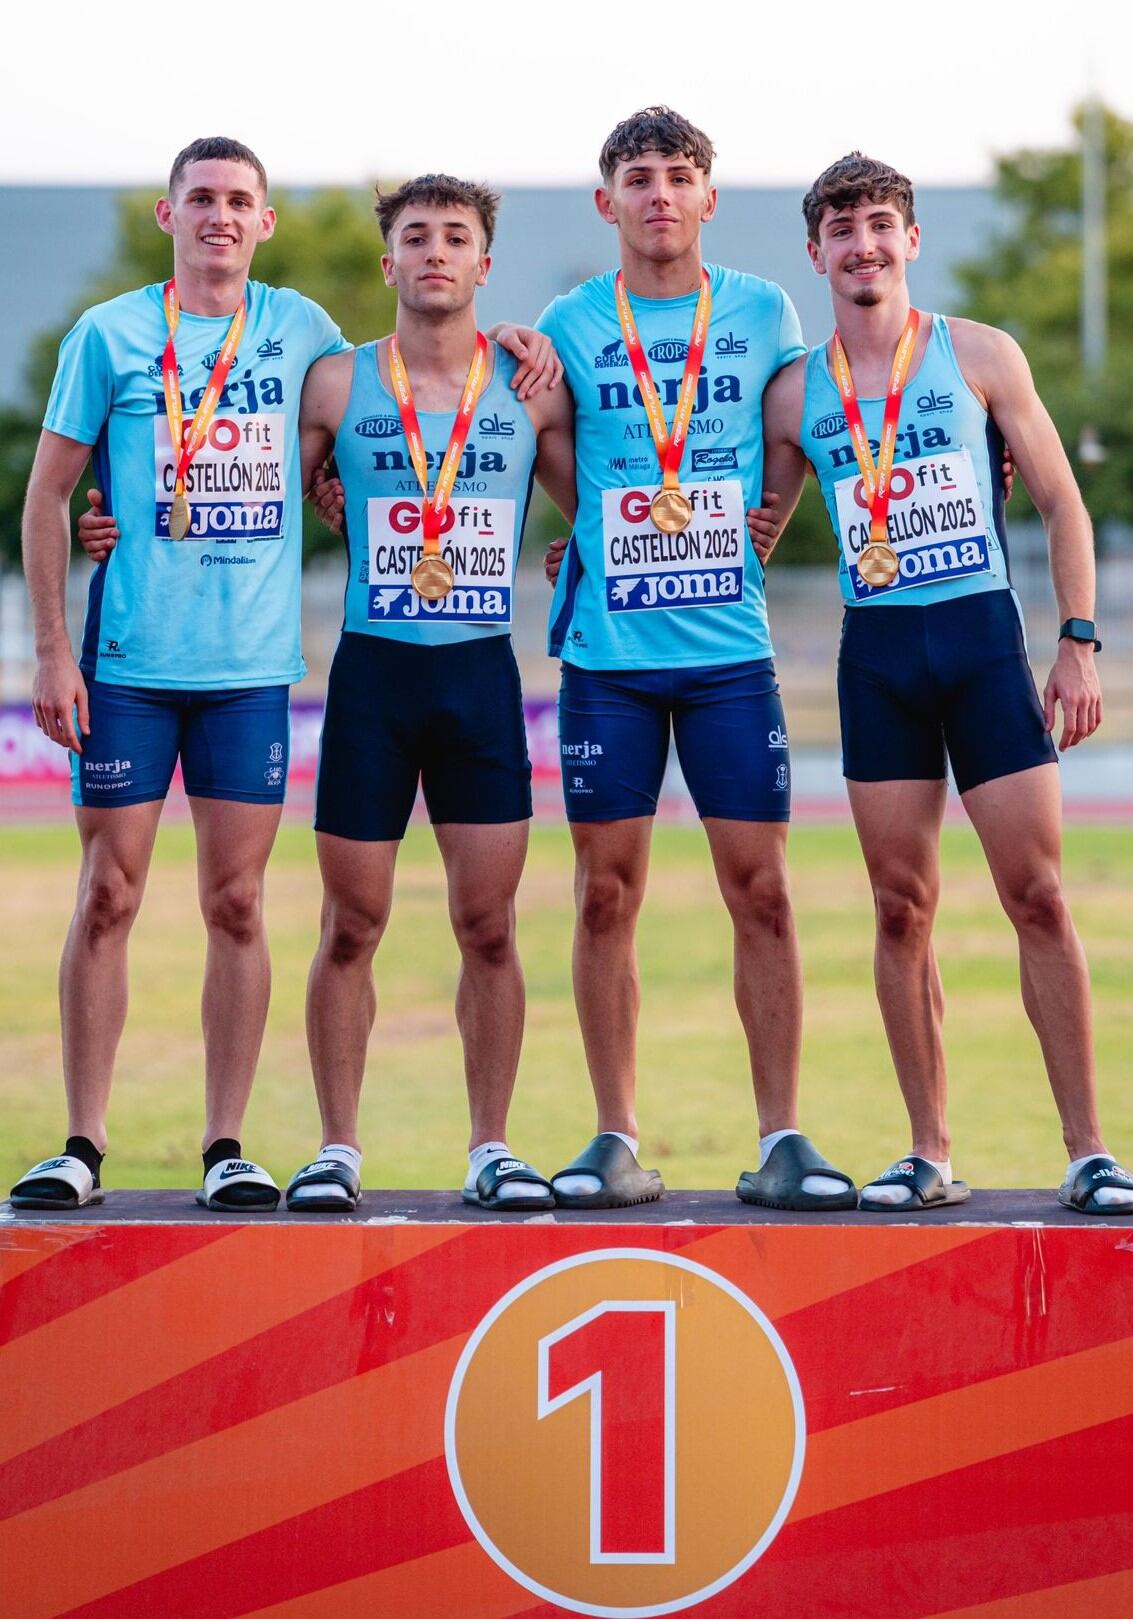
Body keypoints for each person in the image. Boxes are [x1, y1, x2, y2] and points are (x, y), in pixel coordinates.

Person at [749, 151, 1131, 1215]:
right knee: (898, 905)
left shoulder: (978, 355)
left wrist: (1076, 642)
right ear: (814, 250)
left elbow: (1060, 503)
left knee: (1038, 895)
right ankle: (927, 1150)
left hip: (978, 644)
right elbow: (754, 526)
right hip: (876, 659)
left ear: (909, 239)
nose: (861, 244)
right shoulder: (794, 393)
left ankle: (1089, 1149)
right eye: (840, 228)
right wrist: (594, 546)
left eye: (878, 224)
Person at [10, 137, 354, 1211]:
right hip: (125, 666)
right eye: (199, 198)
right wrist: (53, 649)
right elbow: (47, 498)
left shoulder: (304, 329)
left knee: (238, 901)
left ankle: (225, 1146)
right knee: (108, 892)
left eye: (238, 200)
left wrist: (520, 349)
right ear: (169, 217)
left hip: (248, 669)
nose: (219, 214)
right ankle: (82, 1141)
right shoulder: (108, 336)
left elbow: (402, 395)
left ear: (265, 222)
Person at [537, 108, 856, 1211]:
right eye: (637, 176)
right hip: (608, 660)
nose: (658, 193)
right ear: (606, 201)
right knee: (601, 895)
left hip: (728, 654)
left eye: (678, 175)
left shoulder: (764, 310)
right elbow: (538, 437)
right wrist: (584, 526)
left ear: (708, 197)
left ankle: (782, 1137)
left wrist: (776, 506)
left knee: (760, 890)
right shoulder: (570, 321)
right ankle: (614, 1136)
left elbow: (812, 421)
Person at [284, 174, 575, 1212]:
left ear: (483, 264)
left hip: (479, 677)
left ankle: (490, 1145)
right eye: (417, 236)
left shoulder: (531, 384)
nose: (436, 252)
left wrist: (572, 546)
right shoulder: (333, 384)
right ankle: (335, 1146)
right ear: (389, 263)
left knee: (487, 925)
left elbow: (599, 507)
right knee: (350, 923)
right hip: (373, 674)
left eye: (457, 236)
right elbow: (270, 505)